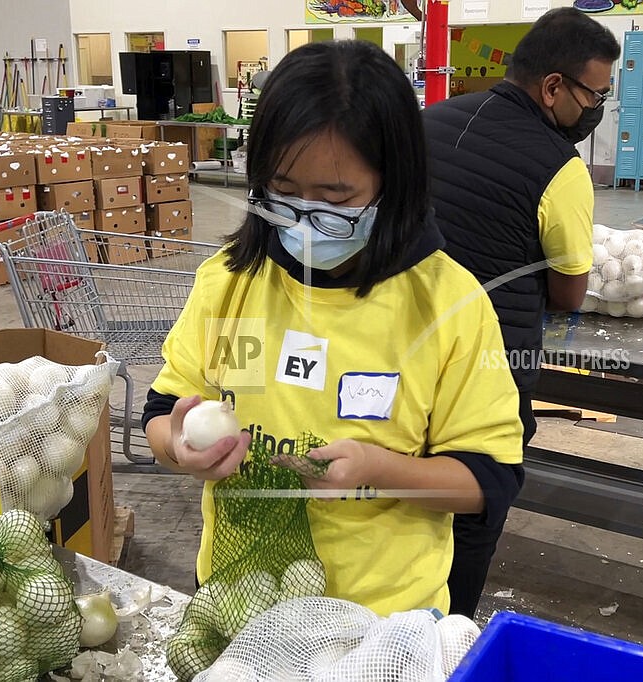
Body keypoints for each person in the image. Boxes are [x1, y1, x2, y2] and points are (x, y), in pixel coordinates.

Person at [141, 40, 524, 617]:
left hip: (380, 621)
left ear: (392, 181)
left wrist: (379, 471)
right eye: (285, 192)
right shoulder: (230, 281)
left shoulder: (449, 305)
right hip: (236, 599)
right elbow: (163, 410)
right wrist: (178, 449)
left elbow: (487, 480)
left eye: (335, 197)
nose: (304, 216)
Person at [422, 7, 620, 618]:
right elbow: (568, 294)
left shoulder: (426, 122)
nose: (598, 109)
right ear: (554, 87)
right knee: (473, 509)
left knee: (398, 505)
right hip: (488, 372)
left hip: (397, 358)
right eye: (596, 94)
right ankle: (445, 641)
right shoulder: (560, 167)